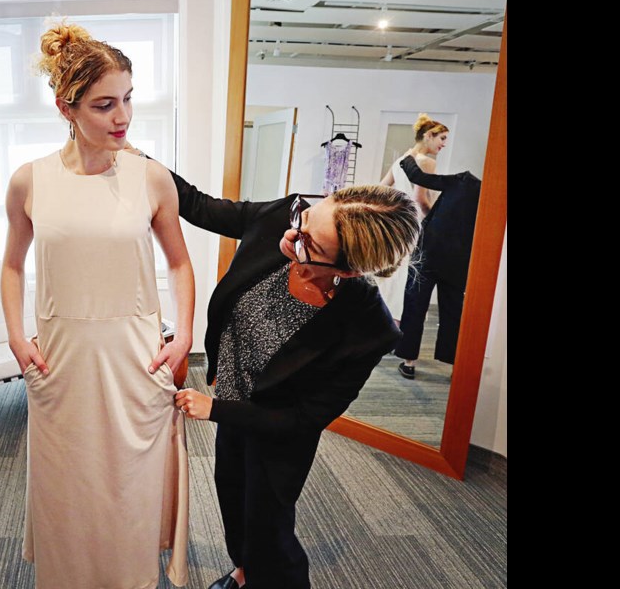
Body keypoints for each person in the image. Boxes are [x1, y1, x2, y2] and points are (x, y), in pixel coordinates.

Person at [0, 20, 194, 589]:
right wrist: (16, 337)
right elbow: (12, 265)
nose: (123, 117)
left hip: (135, 359)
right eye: (104, 104)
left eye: (129, 99)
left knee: (128, 488)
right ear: (67, 107)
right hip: (61, 360)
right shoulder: (28, 181)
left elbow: (180, 263)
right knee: (68, 488)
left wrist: (183, 335)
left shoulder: (152, 178)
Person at [165, 175, 421, 589]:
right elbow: (198, 205)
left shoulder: (368, 330)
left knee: (269, 529)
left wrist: (216, 410)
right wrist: (127, 148)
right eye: (304, 220)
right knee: (231, 498)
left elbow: (304, 418)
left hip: (276, 436)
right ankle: (243, 572)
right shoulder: (280, 219)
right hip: (231, 408)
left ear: (350, 270)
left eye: (309, 245)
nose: (290, 238)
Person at [394, 155, 482, 379]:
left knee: (415, 306)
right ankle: (454, 366)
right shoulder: (488, 193)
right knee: (453, 312)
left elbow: (417, 176)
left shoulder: (460, 181)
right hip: (459, 261)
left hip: (429, 253)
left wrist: (408, 157)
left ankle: (409, 362)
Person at [375, 113, 449, 324]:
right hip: (416, 224)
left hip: (399, 223)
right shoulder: (426, 162)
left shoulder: (401, 160)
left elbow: (380, 188)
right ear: (428, 136)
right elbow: (421, 200)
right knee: (406, 275)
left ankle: (384, 320)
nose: (443, 144)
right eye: (442, 138)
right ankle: (396, 326)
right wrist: (437, 222)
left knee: (395, 272)